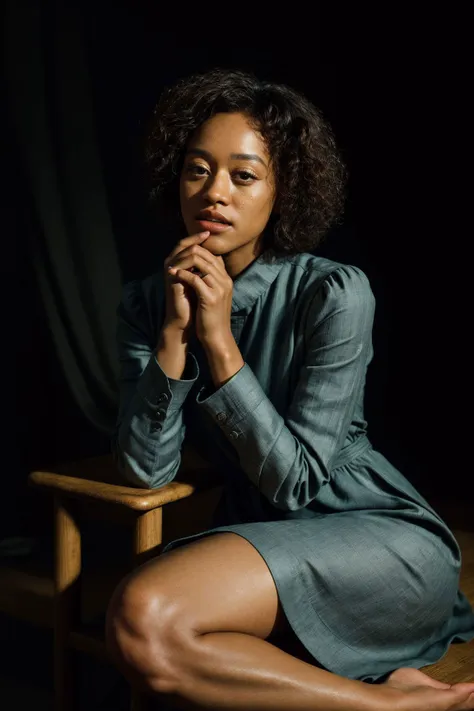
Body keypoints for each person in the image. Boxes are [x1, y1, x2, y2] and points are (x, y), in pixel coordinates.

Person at [106, 68, 474, 710]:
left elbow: (295, 482)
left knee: (145, 610)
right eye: (198, 169)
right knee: (146, 632)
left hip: (374, 539)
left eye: (243, 175)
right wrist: (174, 335)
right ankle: (392, 701)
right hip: (264, 545)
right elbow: (144, 472)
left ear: (284, 191)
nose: (214, 192)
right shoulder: (147, 302)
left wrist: (219, 344)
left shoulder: (332, 292)